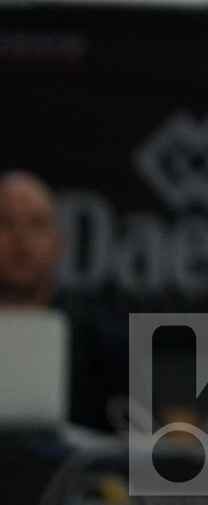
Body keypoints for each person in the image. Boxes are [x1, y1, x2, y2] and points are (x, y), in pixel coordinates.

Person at [0, 170, 127, 431]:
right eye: (5, 223)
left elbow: (141, 437)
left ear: (58, 243)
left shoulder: (100, 342)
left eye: (36, 224)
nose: (21, 240)